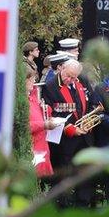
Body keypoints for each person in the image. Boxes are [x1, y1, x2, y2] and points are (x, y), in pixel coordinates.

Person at [42, 59, 98, 206]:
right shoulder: (51, 86)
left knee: (85, 173)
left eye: (74, 77)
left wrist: (89, 121)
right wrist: (71, 129)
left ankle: (83, 205)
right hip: (66, 141)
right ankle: (63, 206)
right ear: (61, 69)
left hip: (85, 137)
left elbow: (92, 102)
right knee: (64, 175)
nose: (71, 80)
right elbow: (51, 113)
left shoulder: (82, 80)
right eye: (69, 76)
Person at [27, 66, 62, 178]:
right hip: (32, 148)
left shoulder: (32, 97)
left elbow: (38, 117)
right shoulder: (22, 101)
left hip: (41, 146)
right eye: (31, 80)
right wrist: (44, 124)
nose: (34, 82)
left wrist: (47, 113)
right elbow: (23, 126)